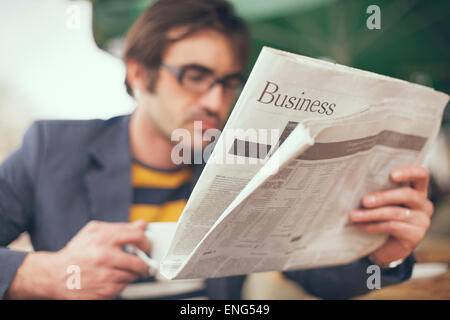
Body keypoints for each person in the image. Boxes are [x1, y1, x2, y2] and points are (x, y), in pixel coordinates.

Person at [0, 0, 433, 300]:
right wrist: (41, 274)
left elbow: (317, 278)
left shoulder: (247, 161)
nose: (213, 100)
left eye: (227, 82)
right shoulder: (49, 149)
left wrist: (379, 255)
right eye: (193, 74)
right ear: (137, 72)